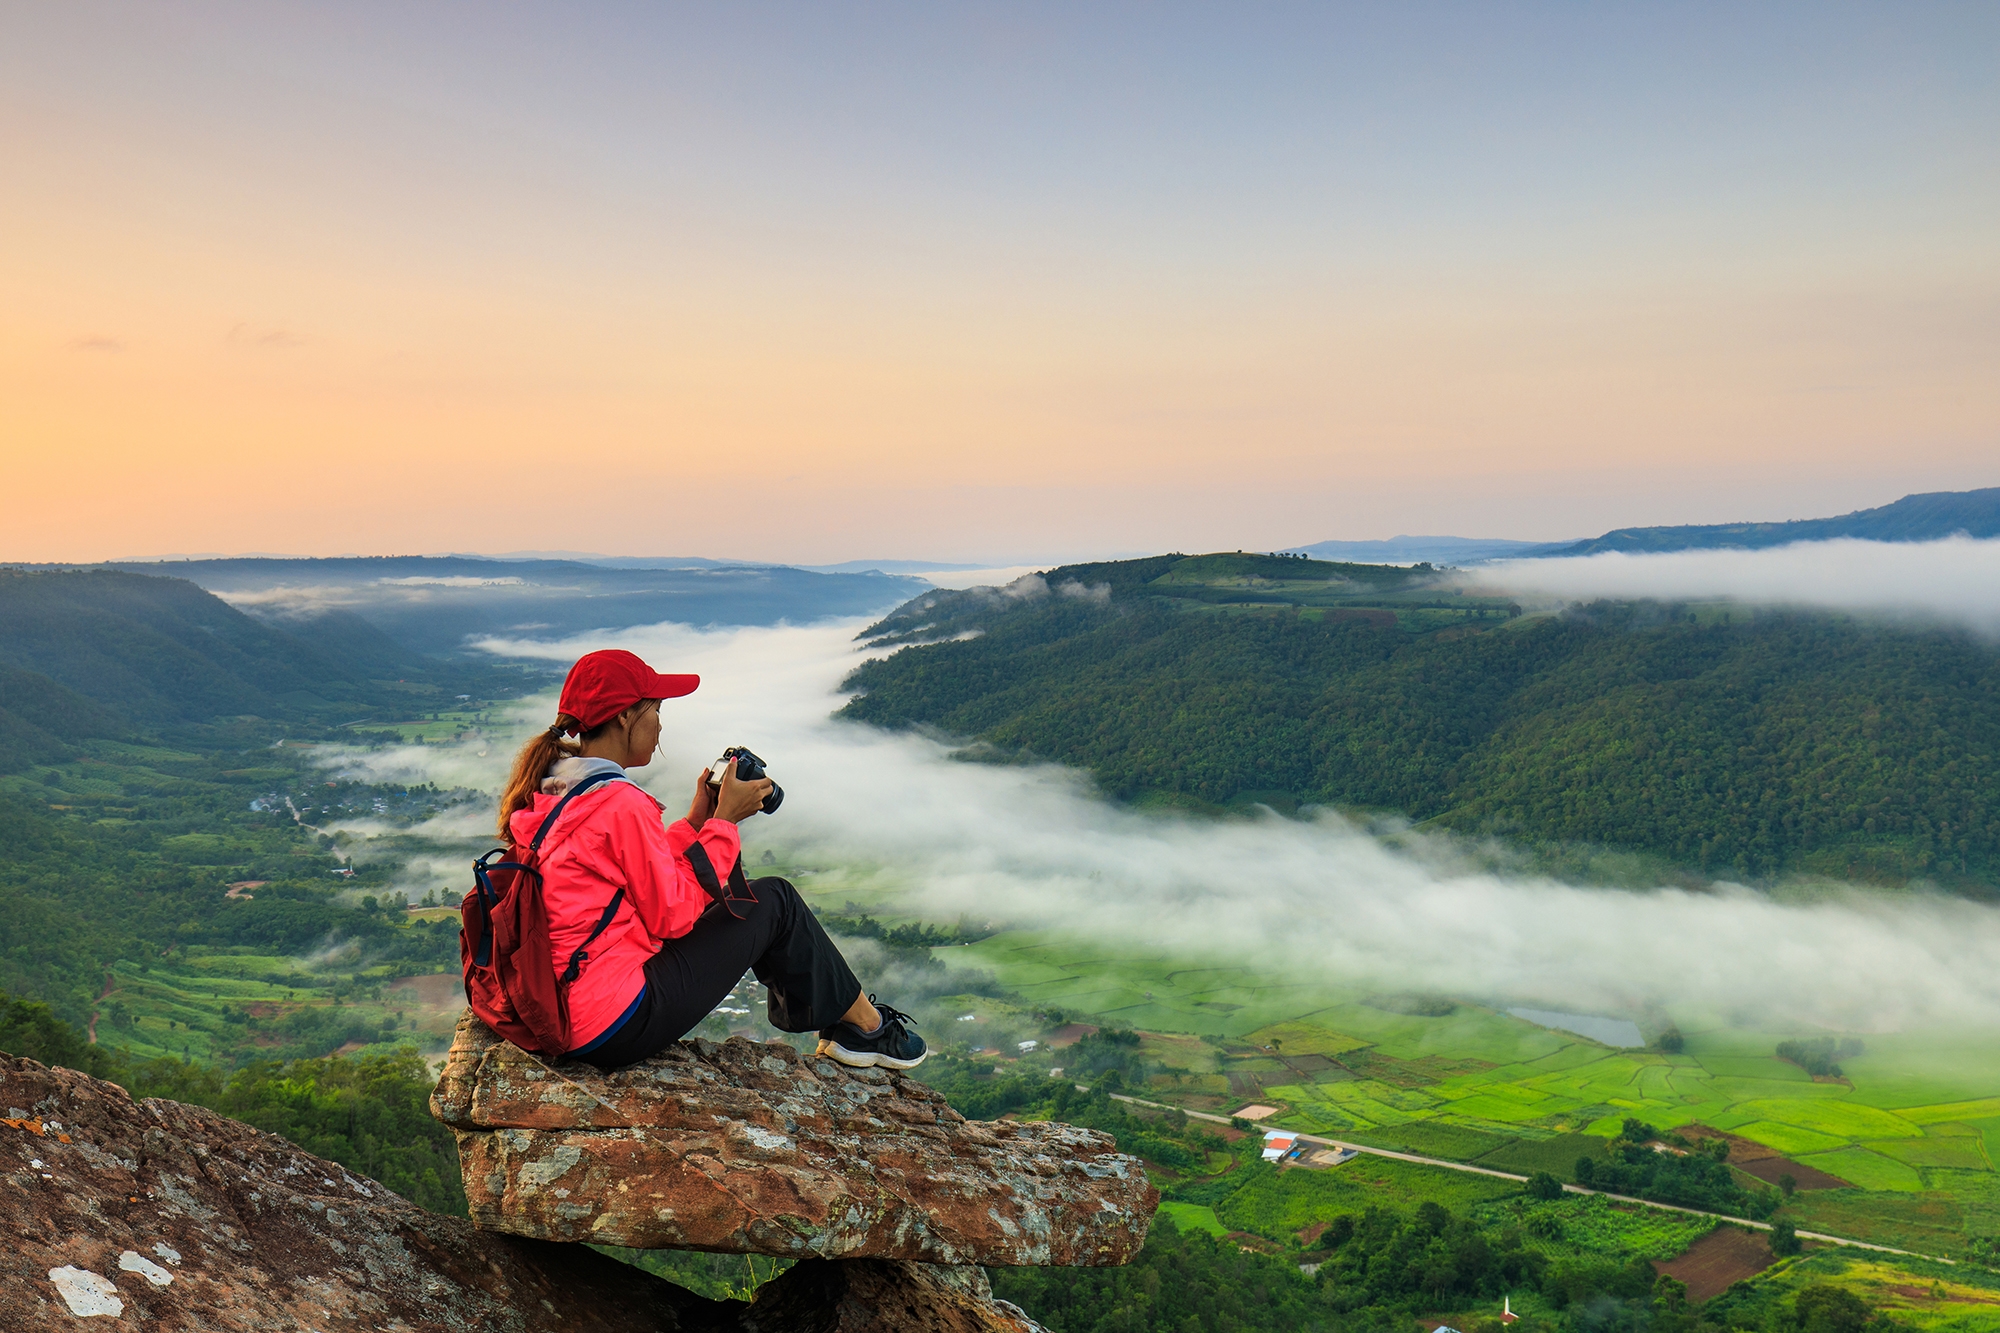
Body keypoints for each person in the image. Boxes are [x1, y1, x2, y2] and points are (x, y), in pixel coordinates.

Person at [496, 648, 925, 1071]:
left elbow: (639, 872)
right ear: (626, 715)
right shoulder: (619, 802)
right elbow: (673, 916)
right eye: (657, 709)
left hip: (563, 1002)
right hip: (610, 1023)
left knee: (765, 899)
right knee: (775, 900)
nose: (661, 725)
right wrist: (725, 823)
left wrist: (697, 821)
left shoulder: (558, 787)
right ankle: (868, 1029)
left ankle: (851, 1024)